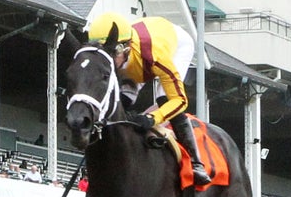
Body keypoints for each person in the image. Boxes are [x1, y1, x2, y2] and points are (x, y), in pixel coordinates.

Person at [85, 11, 211, 185]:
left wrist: (153, 119)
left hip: (175, 45)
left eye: (112, 52)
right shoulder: (115, 57)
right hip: (139, 55)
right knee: (124, 98)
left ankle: (197, 163)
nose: (109, 59)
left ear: (125, 48)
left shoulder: (155, 57)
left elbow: (180, 101)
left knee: (163, 97)